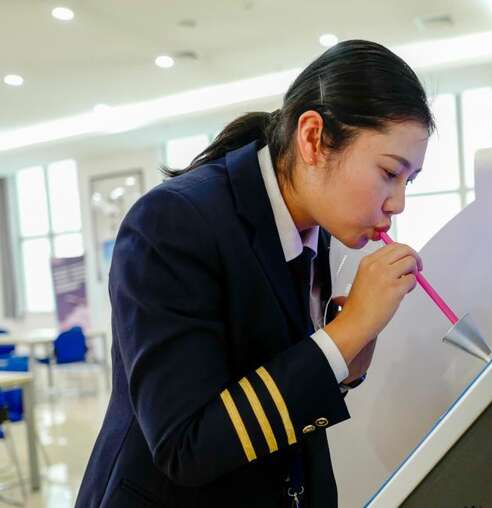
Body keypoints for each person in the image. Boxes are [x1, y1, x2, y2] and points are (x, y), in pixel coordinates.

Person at [76, 39, 434, 507]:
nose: (398, 203)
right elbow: (186, 445)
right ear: (313, 138)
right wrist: (345, 333)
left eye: (409, 181)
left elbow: (267, 374)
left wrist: (347, 362)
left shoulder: (316, 227)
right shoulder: (172, 222)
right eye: (389, 173)